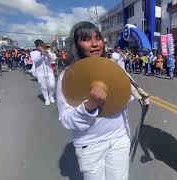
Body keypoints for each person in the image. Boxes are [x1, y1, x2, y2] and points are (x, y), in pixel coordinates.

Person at [57, 21, 132, 180]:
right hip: (90, 145)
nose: (94, 44)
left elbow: (126, 98)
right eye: (86, 39)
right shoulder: (67, 76)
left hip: (119, 138)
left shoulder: (114, 67)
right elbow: (66, 120)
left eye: (97, 38)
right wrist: (90, 105)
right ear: (76, 45)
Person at [30, 39, 56, 105]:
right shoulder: (33, 53)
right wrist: (41, 54)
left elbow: (54, 58)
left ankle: (51, 96)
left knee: (52, 85)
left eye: (42, 45)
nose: (41, 47)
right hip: (40, 73)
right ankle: (46, 98)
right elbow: (35, 60)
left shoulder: (48, 49)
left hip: (49, 71)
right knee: (43, 87)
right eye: (39, 46)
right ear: (36, 46)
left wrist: (49, 53)